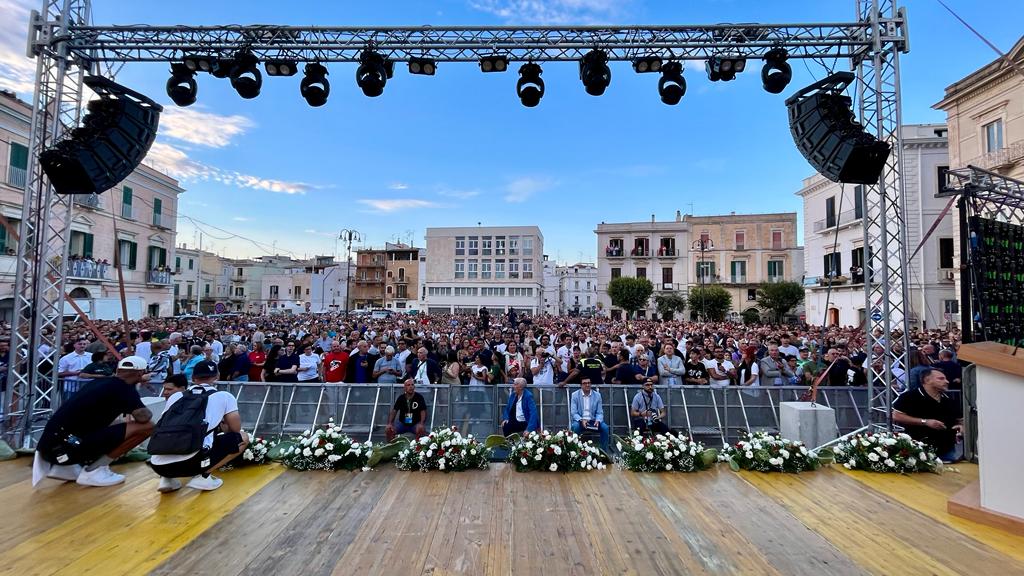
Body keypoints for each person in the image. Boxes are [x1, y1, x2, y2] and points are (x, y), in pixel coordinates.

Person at [33, 356, 154, 487]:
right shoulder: (124, 389)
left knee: (107, 427)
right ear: (141, 373)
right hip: (69, 447)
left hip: (51, 447)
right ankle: (95, 470)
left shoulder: (99, 383)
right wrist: (139, 385)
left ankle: (64, 468)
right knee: (148, 427)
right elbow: (144, 418)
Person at [149, 360, 249, 492]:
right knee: (242, 437)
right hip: (192, 463)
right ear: (217, 376)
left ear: (193, 377)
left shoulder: (176, 396)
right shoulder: (224, 396)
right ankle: (204, 477)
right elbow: (235, 429)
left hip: (157, 464)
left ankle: (166, 479)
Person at [891, 367, 963, 462]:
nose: (947, 381)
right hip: (918, 449)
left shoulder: (948, 400)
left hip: (947, 449)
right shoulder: (910, 397)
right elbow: (896, 416)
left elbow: (960, 419)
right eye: (941, 379)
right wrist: (925, 422)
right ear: (927, 380)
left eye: (946, 378)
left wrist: (961, 427)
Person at [569, 379, 609, 451]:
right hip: (580, 421)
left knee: (605, 428)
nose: (587, 385)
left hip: (593, 421)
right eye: (584, 383)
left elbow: (600, 412)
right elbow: (574, 412)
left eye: (589, 383)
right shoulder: (575, 395)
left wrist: (598, 420)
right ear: (580, 385)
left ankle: (603, 452)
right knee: (575, 427)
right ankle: (575, 451)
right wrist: (581, 420)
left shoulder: (597, 395)